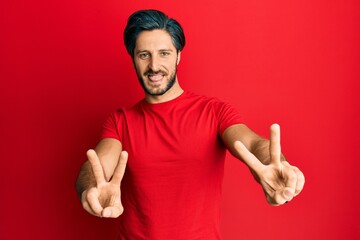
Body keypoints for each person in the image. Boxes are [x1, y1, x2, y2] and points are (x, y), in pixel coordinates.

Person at [76, 9, 305, 240]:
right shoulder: (120, 121)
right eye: (144, 55)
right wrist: (91, 189)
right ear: (133, 58)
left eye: (164, 53)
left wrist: (277, 164)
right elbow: (96, 167)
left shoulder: (214, 112)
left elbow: (254, 144)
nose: (154, 65)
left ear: (178, 56)